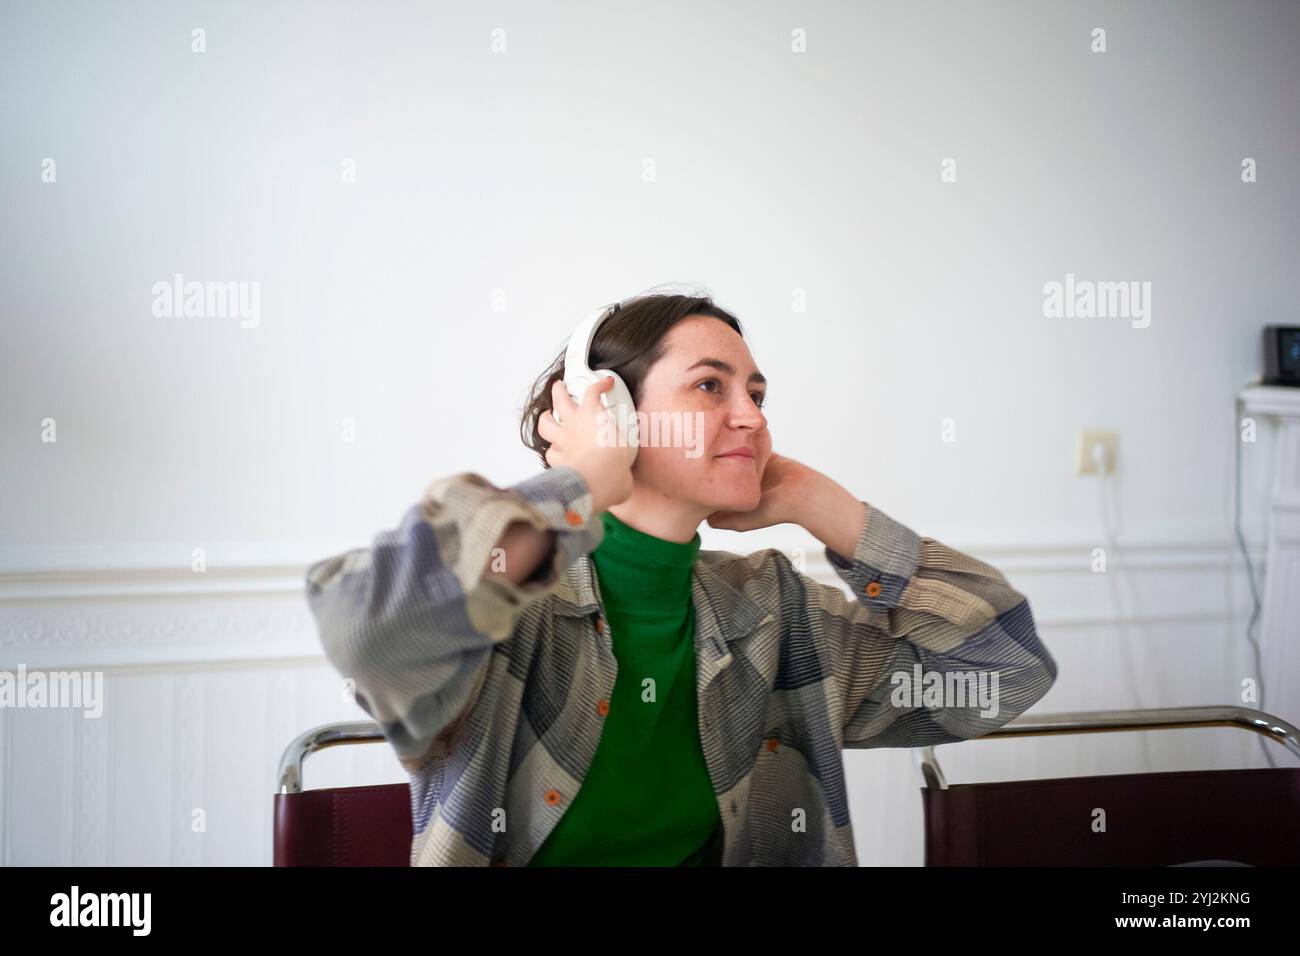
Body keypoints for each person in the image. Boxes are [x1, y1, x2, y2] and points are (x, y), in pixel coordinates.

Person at [304, 291, 1059, 866]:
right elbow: (368, 626)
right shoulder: (514, 614)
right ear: (618, 413)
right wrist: (582, 482)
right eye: (710, 387)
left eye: (757, 396)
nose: (752, 419)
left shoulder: (771, 610)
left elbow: (1004, 672)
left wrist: (821, 505)